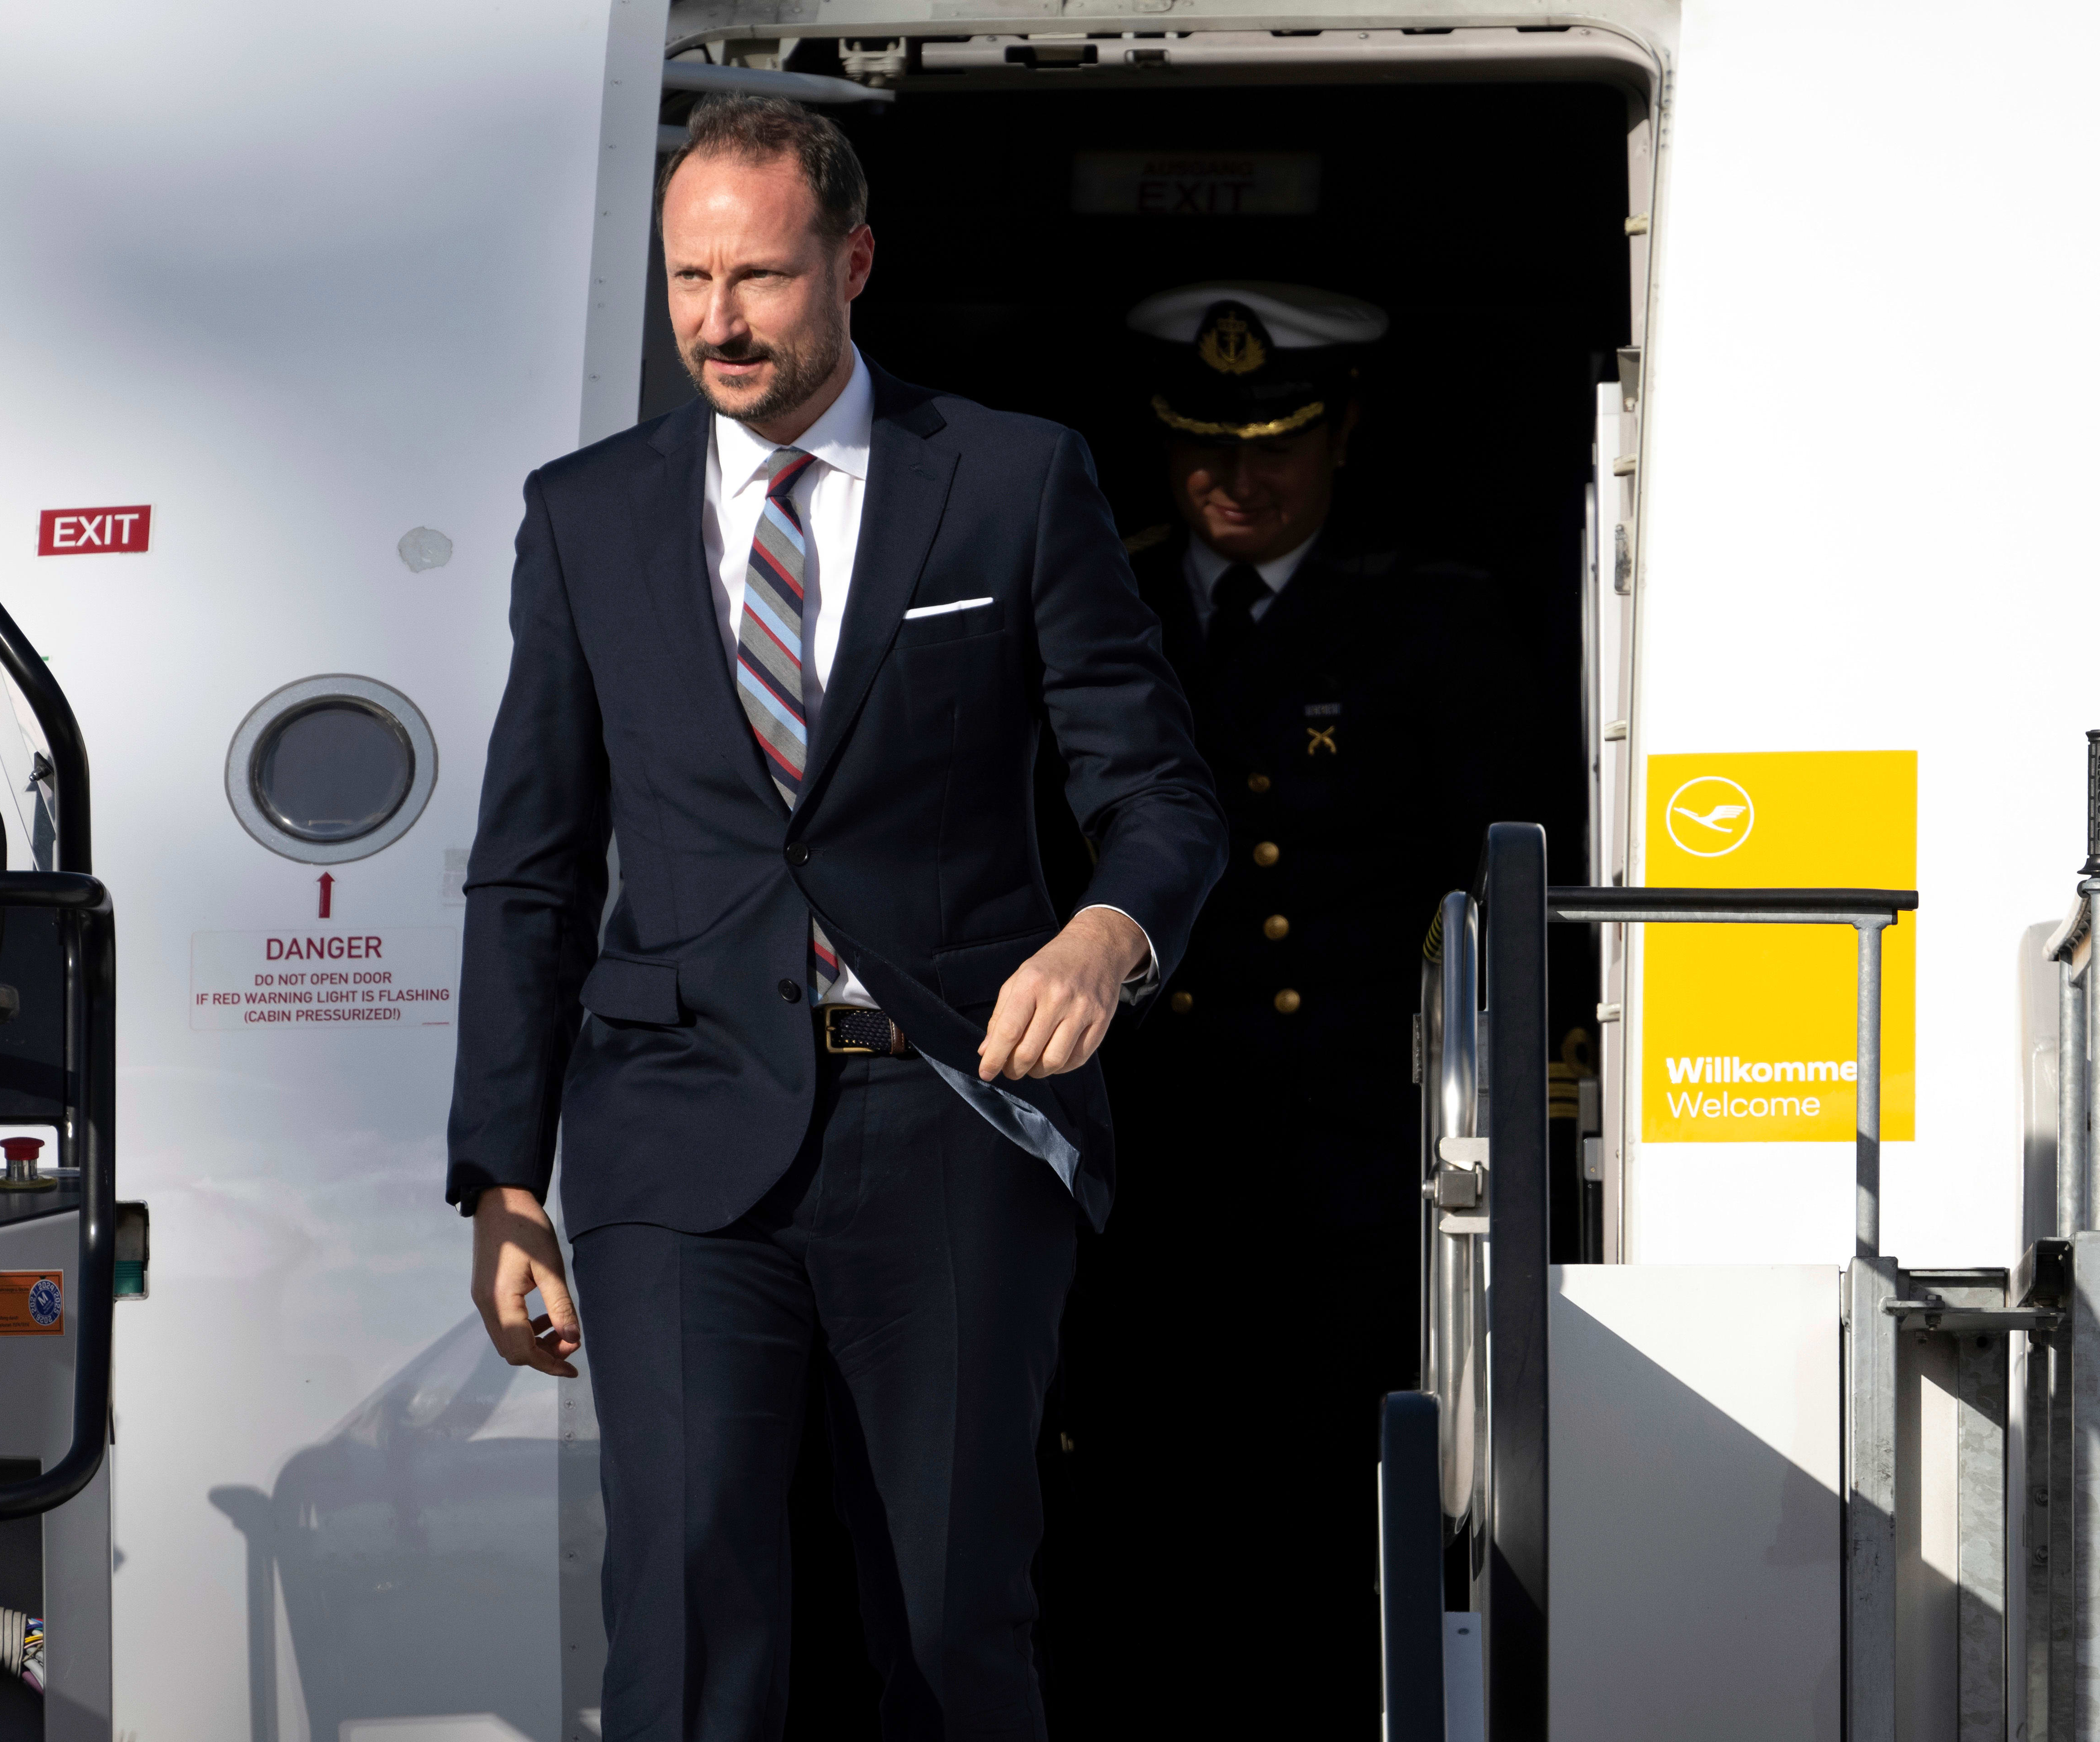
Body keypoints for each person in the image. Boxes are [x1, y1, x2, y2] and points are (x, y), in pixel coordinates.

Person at [445, 95, 1225, 1742]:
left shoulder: (1010, 480)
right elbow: (531, 865)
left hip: (944, 1116)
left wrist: (1104, 937)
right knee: (684, 1604)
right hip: (674, 1123)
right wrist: (504, 1179)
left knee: (948, 1621)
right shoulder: (585, 514)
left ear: (854, 263)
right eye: (688, 279)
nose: (718, 322)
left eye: (761, 277)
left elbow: (1158, 792)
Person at [1032, 283, 1508, 1736]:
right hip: (1144, 1138)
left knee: (1323, 1506)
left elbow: (1492, 880)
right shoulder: (1093, 599)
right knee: (1136, 1491)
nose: (1231, 479)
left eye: (1272, 445)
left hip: (1346, 1151)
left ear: (1342, 432)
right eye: (1199, 445)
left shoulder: (1430, 616)